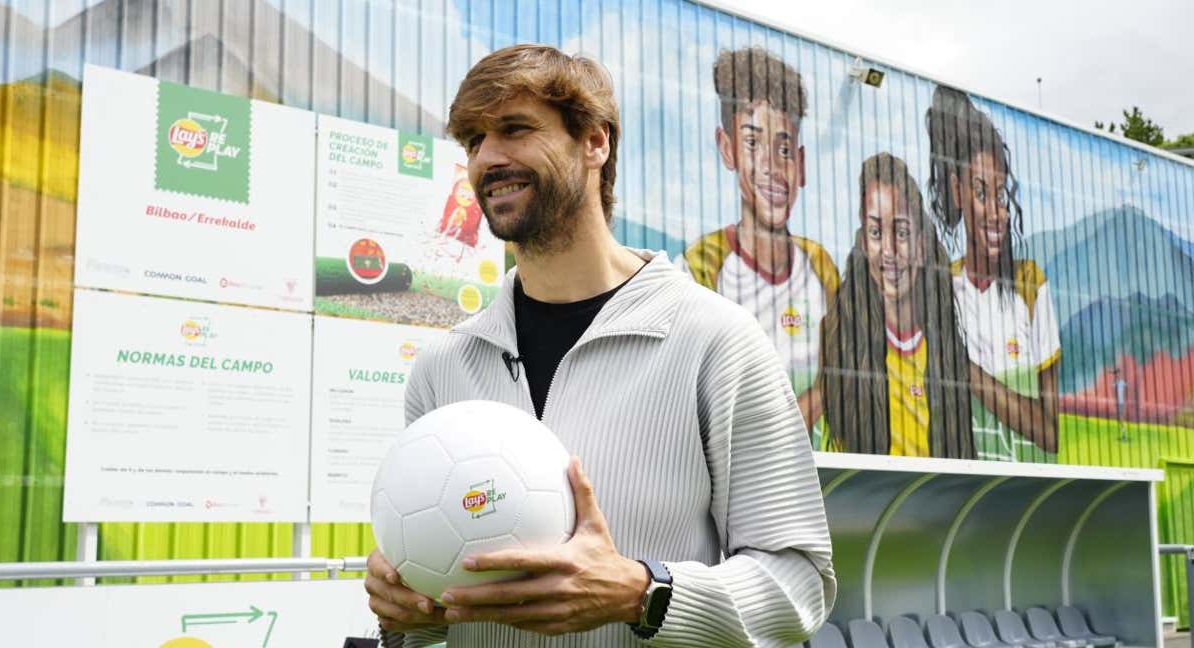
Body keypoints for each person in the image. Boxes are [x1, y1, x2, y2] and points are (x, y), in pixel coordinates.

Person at [364, 44, 835, 648]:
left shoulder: (716, 341)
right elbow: (427, 620)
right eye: (474, 141)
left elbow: (800, 585)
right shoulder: (441, 369)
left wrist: (642, 593)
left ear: (595, 142)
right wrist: (404, 611)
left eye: (514, 129)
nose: (488, 158)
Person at [678, 47, 839, 405]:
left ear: (801, 163)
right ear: (727, 148)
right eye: (753, 142)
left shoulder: (822, 268)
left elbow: (840, 382)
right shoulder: (699, 268)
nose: (771, 166)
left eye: (784, 150)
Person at [799, 153, 973, 458]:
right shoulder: (845, 343)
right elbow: (798, 419)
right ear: (865, 244)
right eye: (877, 232)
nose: (889, 251)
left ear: (920, 247)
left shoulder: (943, 350)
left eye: (902, 232)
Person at [925, 86, 1061, 462]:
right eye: (981, 193)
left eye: (1000, 195)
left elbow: (1050, 434)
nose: (996, 212)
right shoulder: (941, 289)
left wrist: (967, 371)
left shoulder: (1030, 284)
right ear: (957, 192)